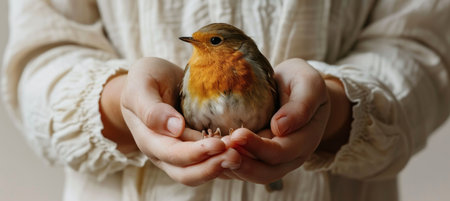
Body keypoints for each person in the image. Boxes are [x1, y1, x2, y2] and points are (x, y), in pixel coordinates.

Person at [2, 0, 449, 200]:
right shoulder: (196, 70)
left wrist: (332, 112)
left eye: (210, 41)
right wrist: (123, 105)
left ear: (234, 48)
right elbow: (41, 57)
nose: (197, 46)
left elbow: (425, 51)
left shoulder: (251, 70)